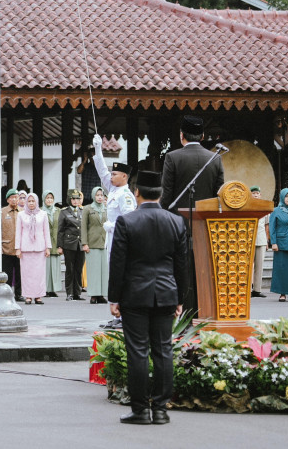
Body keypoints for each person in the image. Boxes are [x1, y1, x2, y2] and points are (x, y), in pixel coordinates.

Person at [108, 170, 186, 425]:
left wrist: (114, 298)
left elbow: (118, 263)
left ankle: (140, 410)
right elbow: (181, 266)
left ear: (137, 192)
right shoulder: (176, 222)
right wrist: (180, 298)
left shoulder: (126, 222)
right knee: (163, 350)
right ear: (161, 194)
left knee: (138, 352)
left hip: (135, 294)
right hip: (166, 293)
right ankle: (161, 410)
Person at [159, 115, 224, 313]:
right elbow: (219, 195)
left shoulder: (173, 157)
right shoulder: (215, 159)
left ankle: (183, 312)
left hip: (177, 224)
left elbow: (166, 196)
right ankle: (203, 312)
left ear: (181, 136)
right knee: (203, 271)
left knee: (180, 270)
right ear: (203, 135)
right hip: (206, 225)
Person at [92, 134, 136, 260]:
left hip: (121, 238)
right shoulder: (113, 188)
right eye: (111, 174)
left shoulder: (125, 195)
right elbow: (102, 170)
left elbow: (129, 220)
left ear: (124, 177)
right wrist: (97, 148)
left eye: (114, 174)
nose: (111, 177)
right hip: (112, 238)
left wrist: (112, 226)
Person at [15, 193, 51, 305]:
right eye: (29, 201)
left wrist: (48, 247)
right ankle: (28, 296)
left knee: (39, 273)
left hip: (40, 247)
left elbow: (46, 231)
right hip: (25, 247)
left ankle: (38, 296)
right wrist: (18, 248)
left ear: (37, 202)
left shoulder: (43, 214)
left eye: (33, 201)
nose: (31, 203)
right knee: (26, 274)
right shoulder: (21, 215)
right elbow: (18, 232)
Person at [82, 186, 108, 304]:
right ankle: (93, 294)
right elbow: (83, 227)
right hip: (92, 243)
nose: (99, 197)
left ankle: (101, 294)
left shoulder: (107, 208)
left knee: (103, 270)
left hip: (104, 243)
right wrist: (85, 243)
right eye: (97, 195)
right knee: (93, 270)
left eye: (101, 195)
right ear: (93, 196)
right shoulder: (88, 208)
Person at [58, 189, 85, 301]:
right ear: (70, 200)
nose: (75, 201)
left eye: (77, 198)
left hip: (80, 243)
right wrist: (60, 246)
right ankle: (69, 293)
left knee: (79, 269)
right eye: (73, 199)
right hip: (69, 243)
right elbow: (60, 230)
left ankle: (77, 293)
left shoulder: (83, 211)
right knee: (70, 269)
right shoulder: (64, 212)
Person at [1, 188, 24, 301]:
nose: (14, 200)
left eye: (16, 197)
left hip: (20, 248)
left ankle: (19, 294)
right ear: (8, 199)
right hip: (6, 247)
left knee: (20, 273)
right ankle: (8, 294)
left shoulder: (22, 212)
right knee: (7, 273)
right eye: (12, 198)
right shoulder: (2, 212)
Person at [250, 186, 270, 298]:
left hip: (261, 239)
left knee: (259, 265)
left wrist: (267, 241)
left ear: (260, 195)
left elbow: (267, 226)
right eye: (253, 193)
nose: (256, 195)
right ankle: (248, 289)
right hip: (249, 240)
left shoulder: (264, 208)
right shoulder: (247, 207)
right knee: (249, 267)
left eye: (257, 193)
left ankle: (257, 290)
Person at [42, 190, 61, 298]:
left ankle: (53, 289)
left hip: (56, 241)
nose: (49, 200)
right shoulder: (40, 211)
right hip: (44, 242)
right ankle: (45, 289)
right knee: (45, 267)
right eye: (47, 198)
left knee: (55, 266)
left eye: (51, 198)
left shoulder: (58, 211)